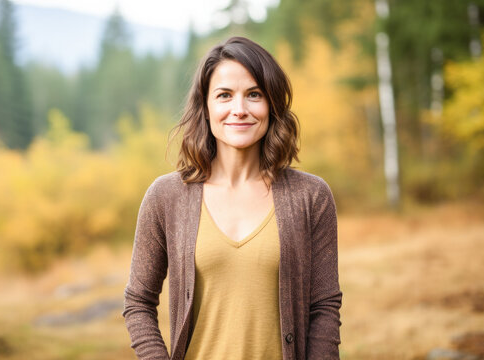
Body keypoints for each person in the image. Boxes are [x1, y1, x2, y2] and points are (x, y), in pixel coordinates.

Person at [122, 36, 342, 360]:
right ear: (206, 107)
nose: (239, 110)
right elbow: (138, 301)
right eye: (224, 95)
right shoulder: (166, 197)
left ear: (272, 105)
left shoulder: (311, 197)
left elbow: (324, 307)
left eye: (254, 95)